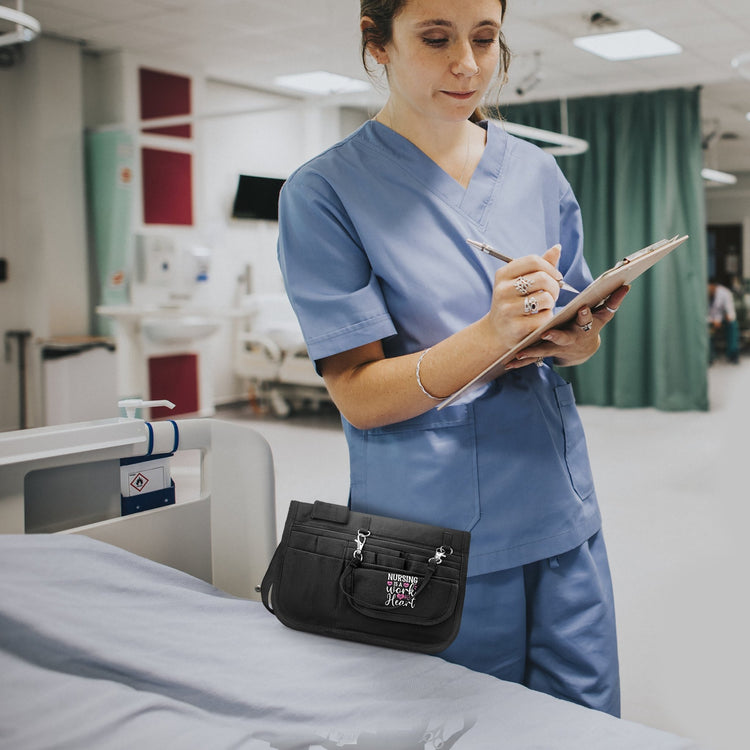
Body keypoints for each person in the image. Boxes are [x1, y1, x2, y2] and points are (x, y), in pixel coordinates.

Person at [277, 0, 628, 717]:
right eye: (436, 38)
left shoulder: (536, 175)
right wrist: (490, 335)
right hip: (431, 538)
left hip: (558, 506)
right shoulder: (325, 193)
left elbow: (572, 331)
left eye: (485, 37)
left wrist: (581, 338)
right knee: (462, 724)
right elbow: (360, 396)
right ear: (377, 45)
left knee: (586, 723)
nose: (467, 63)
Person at [708, 278, 739, 364]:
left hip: (722, 319)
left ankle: (732, 354)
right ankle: (710, 356)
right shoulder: (702, 294)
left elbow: (730, 311)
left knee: (732, 325)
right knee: (708, 330)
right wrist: (712, 321)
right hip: (709, 321)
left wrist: (727, 317)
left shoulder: (725, 293)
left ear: (713, 286)